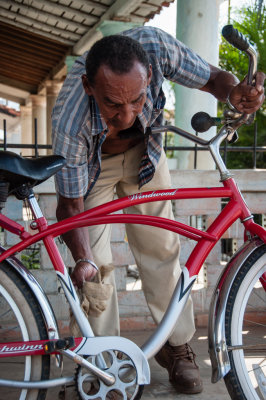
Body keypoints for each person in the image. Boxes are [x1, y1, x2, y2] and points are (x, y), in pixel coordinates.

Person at [52, 26, 265, 396]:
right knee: (96, 269)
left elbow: (215, 78)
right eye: (112, 104)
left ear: (149, 74)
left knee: (162, 250)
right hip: (93, 167)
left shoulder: (157, 48)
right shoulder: (70, 121)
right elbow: (70, 205)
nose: (128, 115)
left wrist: (235, 93)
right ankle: (103, 363)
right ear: (89, 87)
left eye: (136, 99)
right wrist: (81, 259)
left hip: (145, 157)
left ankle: (176, 347)